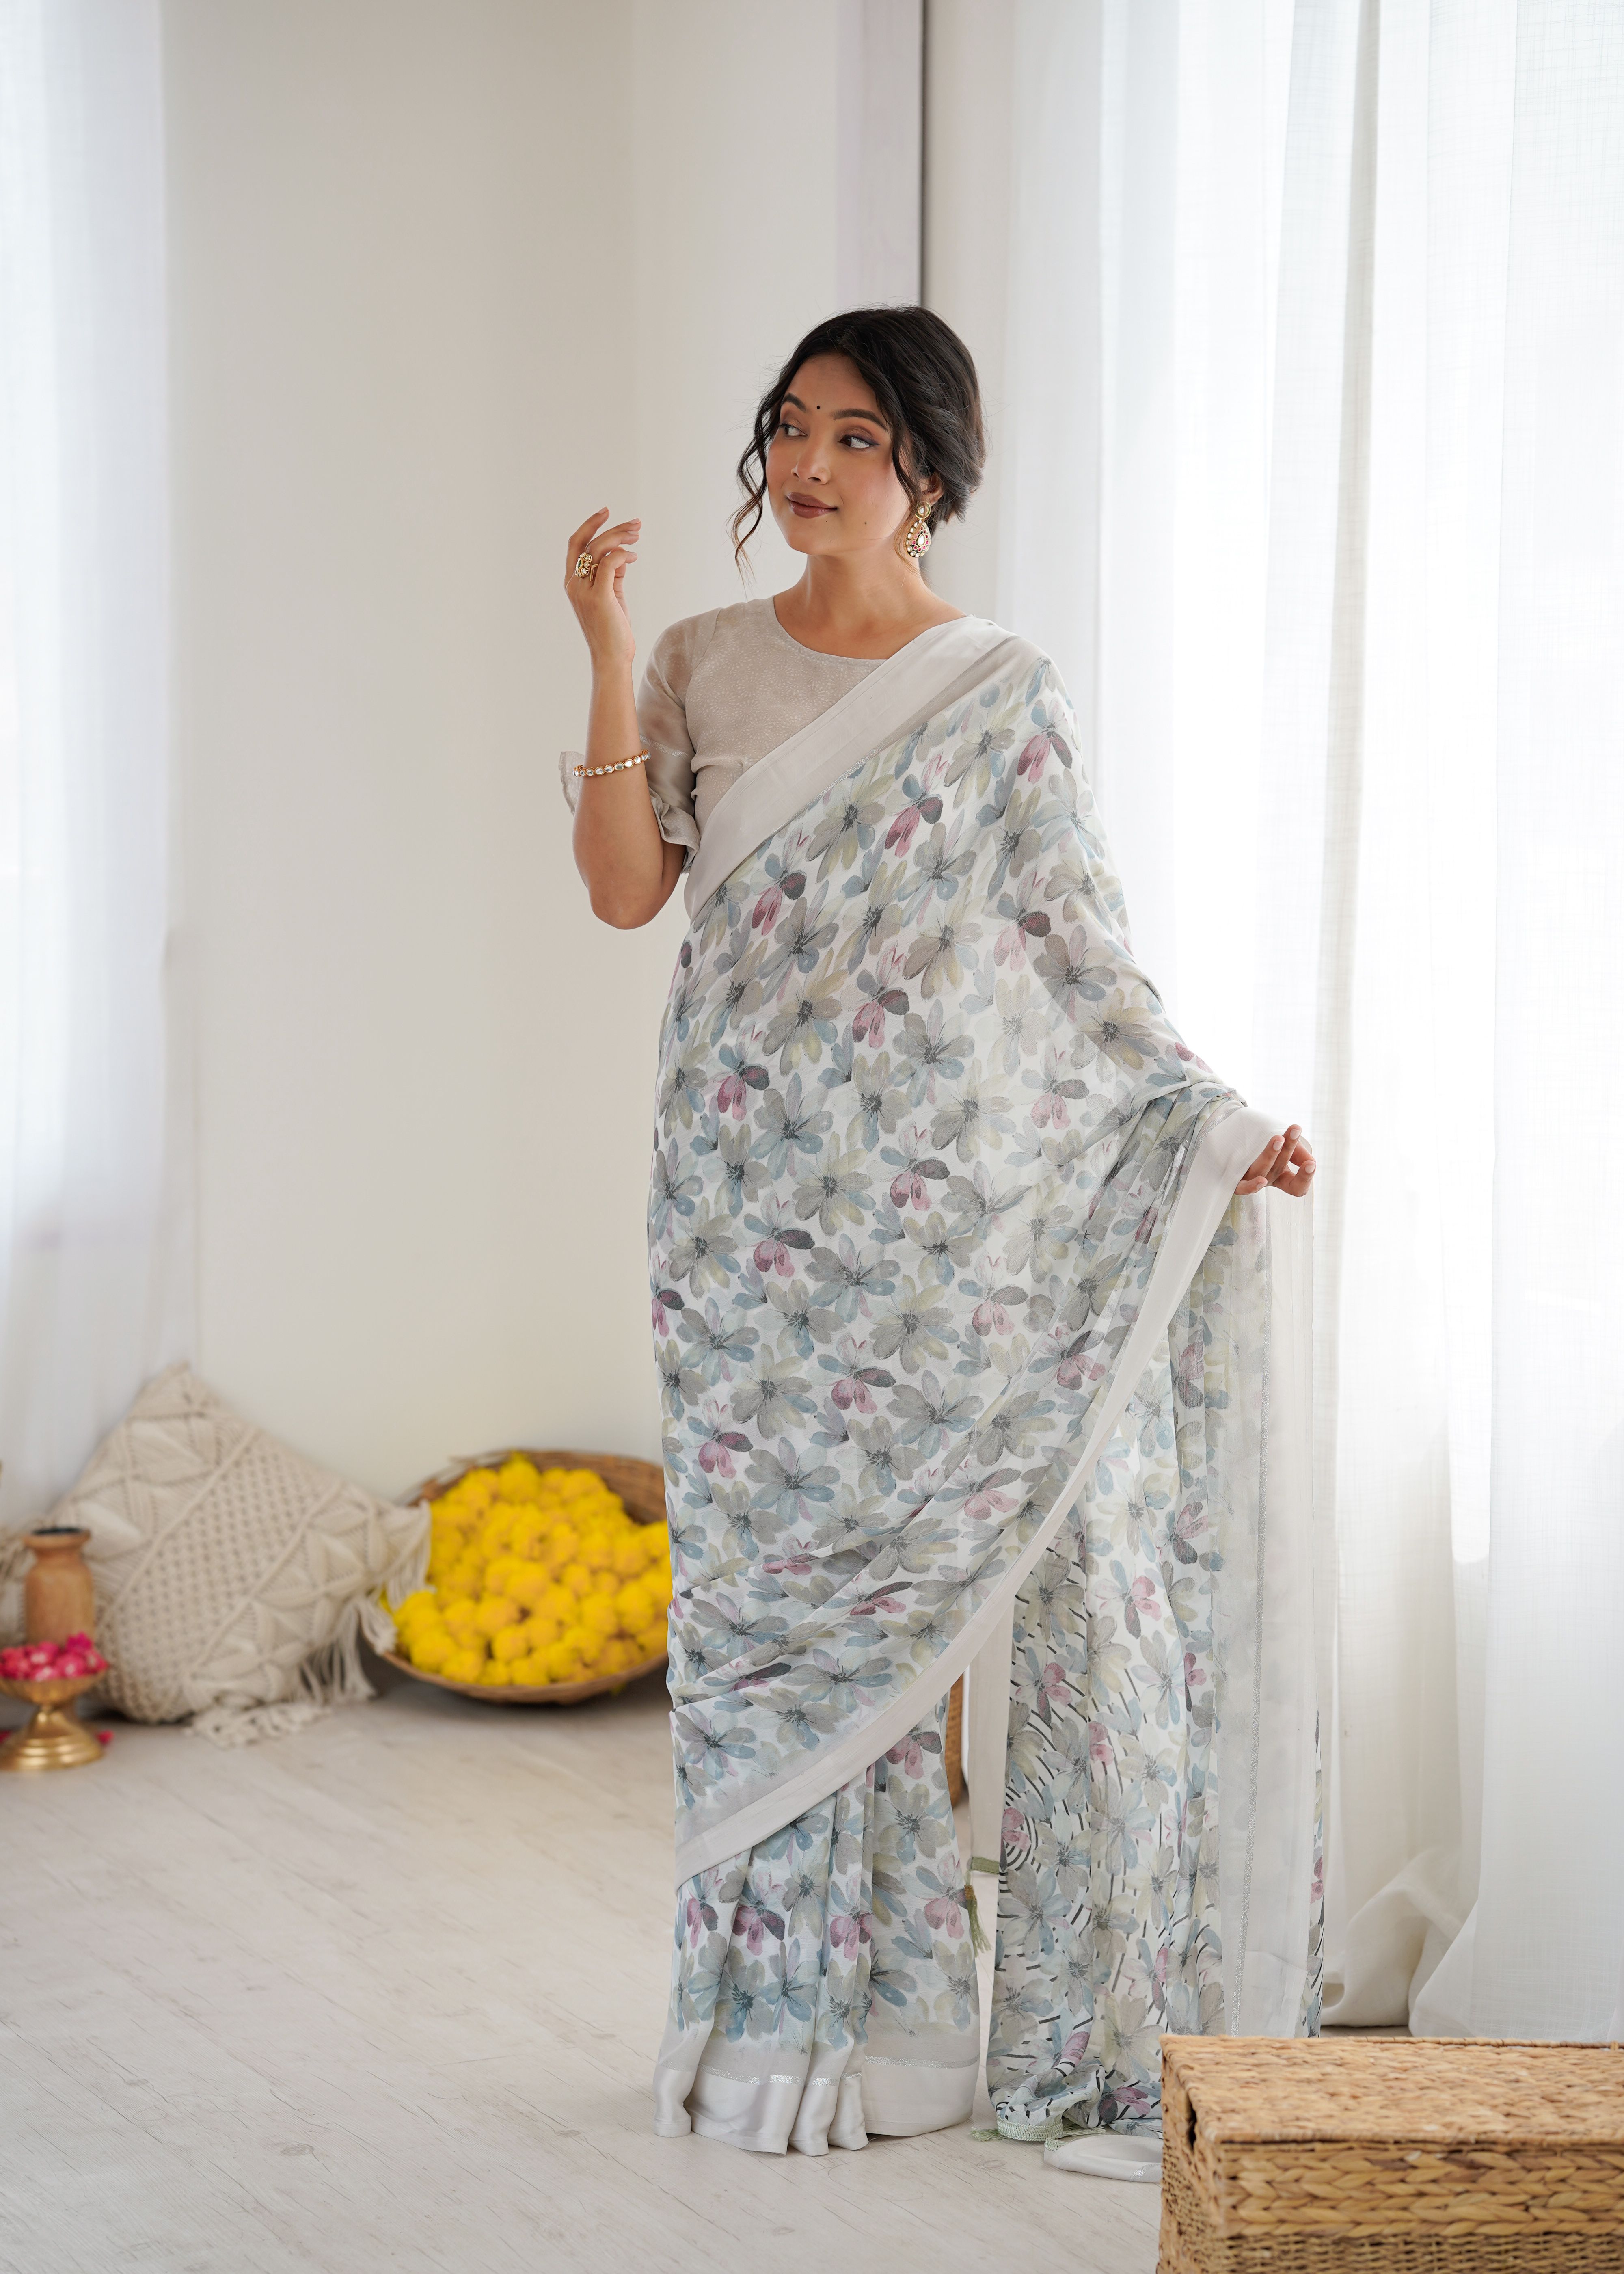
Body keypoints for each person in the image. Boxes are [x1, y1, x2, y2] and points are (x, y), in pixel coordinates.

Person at [561, 306, 1319, 2163]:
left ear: (930, 475)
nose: (809, 467)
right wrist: (601, 648)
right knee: (757, 1618)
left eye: (857, 439)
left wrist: (1210, 1121)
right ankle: (771, 2026)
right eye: (790, 429)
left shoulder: (998, 690)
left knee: (895, 1607)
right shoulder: (698, 658)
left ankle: (917, 2033)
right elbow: (622, 895)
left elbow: (1078, 946)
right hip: (737, 1213)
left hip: (927, 1232)